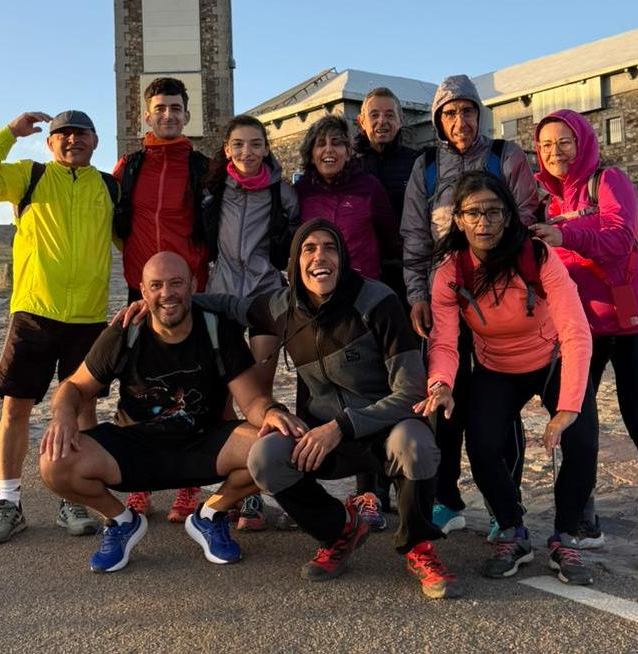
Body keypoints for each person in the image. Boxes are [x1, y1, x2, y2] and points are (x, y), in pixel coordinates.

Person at [196, 220, 463, 600]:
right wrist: (167, 300)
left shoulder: (378, 301)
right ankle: (340, 531)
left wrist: (341, 426)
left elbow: (411, 393)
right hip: (323, 436)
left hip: (386, 429)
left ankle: (419, 547)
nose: (320, 256)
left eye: (330, 248)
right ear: (294, 262)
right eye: (309, 249)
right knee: (266, 456)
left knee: (415, 443)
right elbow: (230, 306)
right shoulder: (282, 306)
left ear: (343, 256)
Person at [38, 252, 304, 573]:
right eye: (157, 285)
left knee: (279, 447)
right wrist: (63, 414)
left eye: (176, 283)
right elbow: (74, 387)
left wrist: (272, 412)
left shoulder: (217, 329)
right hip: (135, 448)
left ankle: (210, 515)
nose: (167, 293)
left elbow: (251, 402)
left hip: (204, 444)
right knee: (55, 463)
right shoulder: (126, 331)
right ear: (143, 291)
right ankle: (122, 522)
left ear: (193, 284)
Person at [417, 171, 599, 585]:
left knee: (583, 438)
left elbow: (575, 329)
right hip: (496, 366)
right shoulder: (449, 273)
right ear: (459, 219)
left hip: (551, 358)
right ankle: (513, 530)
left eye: (494, 212)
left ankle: (566, 535)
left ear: (508, 215)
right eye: (473, 213)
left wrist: (568, 407)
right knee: (482, 447)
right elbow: (445, 342)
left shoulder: (537, 257)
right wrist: (440, 385)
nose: (484, 222)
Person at [529, 109, 638, 572]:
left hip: (632, 319)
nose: (555, 152)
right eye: (545, 145)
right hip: (582, 326)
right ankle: (583, 520)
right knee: (576, 418)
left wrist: (565, 232)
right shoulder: (546, 200)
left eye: (563, 141)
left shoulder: (609, 180)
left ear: (582, 141)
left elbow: (621, 235)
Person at [0, 110, 113, 545]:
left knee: (84, 411)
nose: (71, 141)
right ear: (49, 144)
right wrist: (10, 132)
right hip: (34, 313)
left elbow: (134, 238)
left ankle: (74, 495)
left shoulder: (108, 187)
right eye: (62, 135)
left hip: (87, 316)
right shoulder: (28, 177)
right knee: (16, 408)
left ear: (95, 140)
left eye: (80, 134)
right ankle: (8, 502)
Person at [401, 74, 539, 536]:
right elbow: (416, 238)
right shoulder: (426, 167)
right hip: (446, 299)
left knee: (499, 404)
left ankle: (506, 503)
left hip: (501, 298)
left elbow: (527, 218)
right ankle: (447, 497)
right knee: (445, 402)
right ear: (439, 120)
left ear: (480, 113)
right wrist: (418, 296)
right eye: (449, 113)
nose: (460, 120)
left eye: (467, 110)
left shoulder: (506, 157)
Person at [112, 76, 210, 523]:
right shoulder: (127, 167)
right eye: (160, 108)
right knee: (136, 389)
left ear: (188, 116)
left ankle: (189, 485)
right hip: (141, 294)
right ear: (146, 116)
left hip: (189, 292)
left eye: (176, 108)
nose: (168, 115)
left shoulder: (203, 167)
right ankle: (138, 483)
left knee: (193, 390)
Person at [200, 114, 300, 530]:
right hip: (221, 295)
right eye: (238, 144)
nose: (247, 152)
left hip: (264, 296)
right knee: (224, 394)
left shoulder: (283, 193)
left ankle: (255, 492)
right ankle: (228, 484)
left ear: (266, 147)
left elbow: (296, 243)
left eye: (255, 144)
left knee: (259, 392)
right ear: (227, 149)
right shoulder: (212, 190)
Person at [351, 87, 419, 520]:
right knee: (364, 381)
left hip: (405, 277)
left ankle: (403, 480)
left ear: (400, 120)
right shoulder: (352, 165)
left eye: (389, 114)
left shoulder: (416, 162)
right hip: (363, 283)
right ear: (362, 121)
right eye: (374, 114)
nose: (382, 121)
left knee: (404, 378)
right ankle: (367, 489)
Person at [294, 115, 400, 282]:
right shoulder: (300, 192)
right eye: (321, 144)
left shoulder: (370, 187)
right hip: (316, 287)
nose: (329, 149)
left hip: (362, 289)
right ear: (311, 155)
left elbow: (391, 240)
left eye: (336, 143)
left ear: (349, 152)